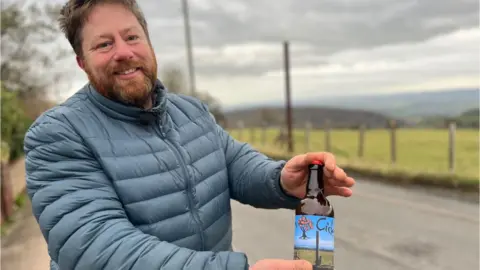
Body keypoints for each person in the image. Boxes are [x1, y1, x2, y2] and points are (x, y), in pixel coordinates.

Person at [23, 1, 355, 269]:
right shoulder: (57, 134)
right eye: (104, 44)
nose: (123, 52)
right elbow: (97, 249)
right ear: (82, 62)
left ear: (150, 45)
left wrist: (280, 179)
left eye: (132, 37)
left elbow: (234, 163)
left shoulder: (191, 111)